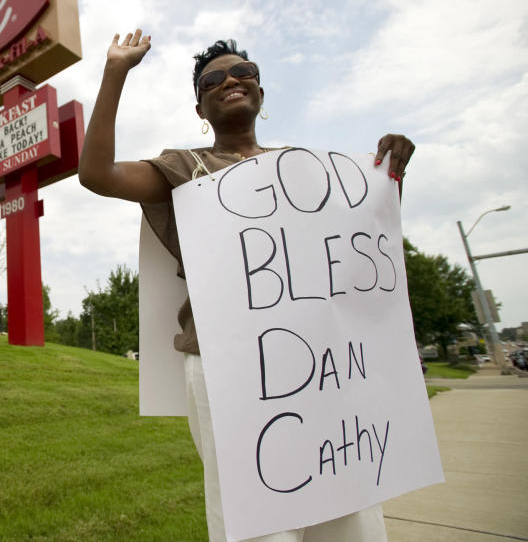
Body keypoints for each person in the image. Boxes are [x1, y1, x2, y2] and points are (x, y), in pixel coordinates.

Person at [78, 29, 415, 542]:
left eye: (244, 73)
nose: (230, 80)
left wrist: (390, 180)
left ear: (261, 92)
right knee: (260, 512)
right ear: (200, 108)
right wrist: (115, 71)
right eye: (213, 79)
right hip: (228, 358)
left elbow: (360, 255)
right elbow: (97, 174)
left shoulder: (309, 170)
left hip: (322, 359)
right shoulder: (183, 167)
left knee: (348, 502)